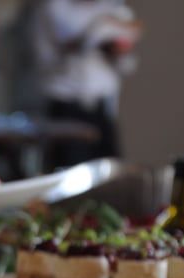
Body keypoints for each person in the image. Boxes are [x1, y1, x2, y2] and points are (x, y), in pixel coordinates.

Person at [32, 0, 141, 168]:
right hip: (66, 108)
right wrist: (85, 41)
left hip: (102, 109)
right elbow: (44, 61)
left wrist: (117, 52)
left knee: (110, 176)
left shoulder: (113, 9)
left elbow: (127, 65)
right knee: (66, 177)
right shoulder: (53, 8)